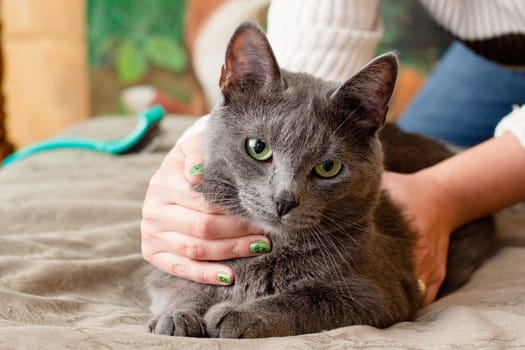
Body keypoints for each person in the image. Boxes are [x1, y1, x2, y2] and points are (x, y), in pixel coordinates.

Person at [141, 0, 525, 306]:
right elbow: (317, 46)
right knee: (433, 138)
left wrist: (448, 192)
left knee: (464, 172)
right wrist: (192, 154)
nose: (284, 197)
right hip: (499, 41)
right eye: (260, 150)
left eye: (324, 168)